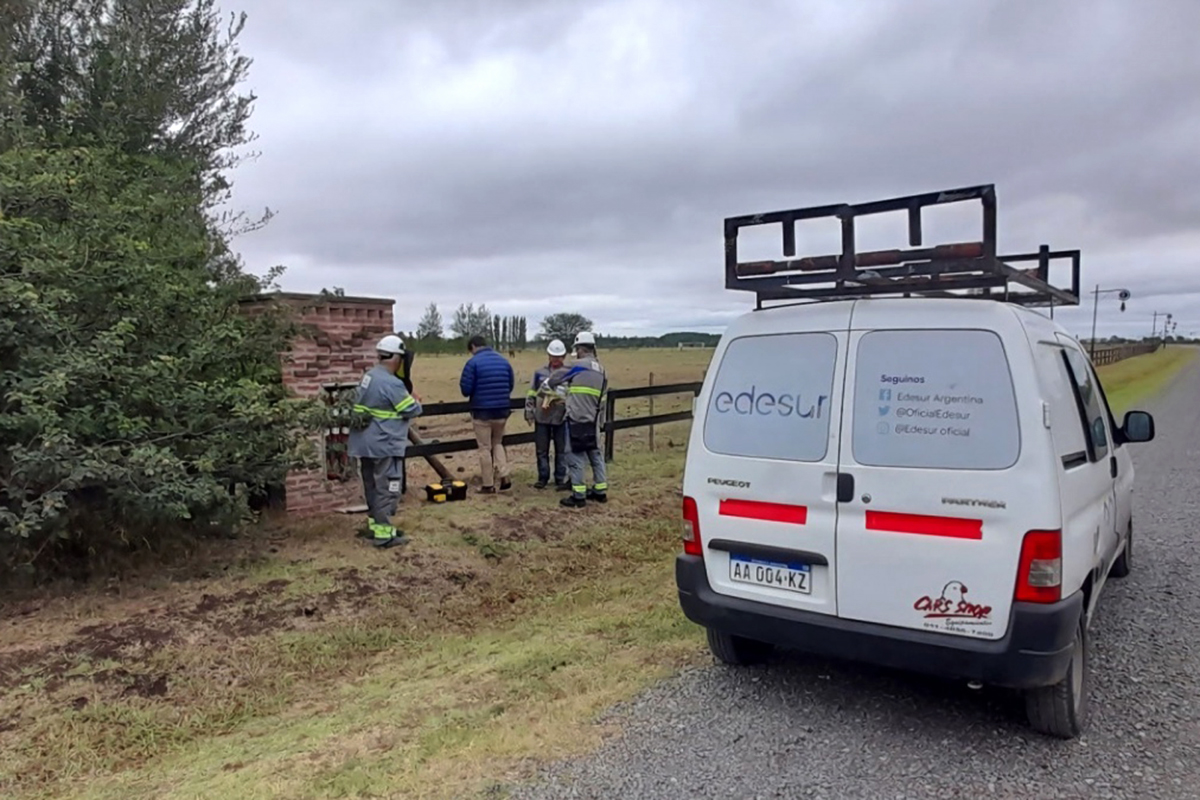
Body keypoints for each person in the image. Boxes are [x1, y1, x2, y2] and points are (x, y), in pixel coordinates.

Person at [348, 335, 422, 548]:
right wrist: (417, 401)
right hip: (384, 443)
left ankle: (376, 527)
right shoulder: (392, 383)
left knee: (371, 485)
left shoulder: (369, 376)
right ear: (397, 358)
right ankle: (384, 536)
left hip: (365, 443)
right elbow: (410, 409)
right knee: (388, 488)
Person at [548, 331, 608, 508]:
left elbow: (553, 380)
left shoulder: (577, 366)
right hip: (593, 419)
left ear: (580, 349)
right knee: (595, 454)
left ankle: (578, 495)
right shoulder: (602, 370)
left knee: (574, 457)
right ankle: (600, 491)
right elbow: (603, 399)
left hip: (575, 419)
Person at [460, 334, 515, 494]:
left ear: (473, 347)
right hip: (502, 410)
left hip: (482, 411)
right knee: (498, 443)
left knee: (484, 448)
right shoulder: (504, 361)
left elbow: (466, 389)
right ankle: (504, 475)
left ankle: (488, 484)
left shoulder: (473, 363)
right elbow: (510, 385)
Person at [525, 339, 570, 490]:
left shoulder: (569, 373)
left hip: (561, 417)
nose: (556, 360)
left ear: (564, 356)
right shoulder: (539, 373)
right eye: (553, 356)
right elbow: (532, 392)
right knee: (541, 450)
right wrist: (529, 411)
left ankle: (560, 478)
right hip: (542, 417)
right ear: (548, 355)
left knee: (561, 450)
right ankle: (543, 477)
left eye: (559, 357)